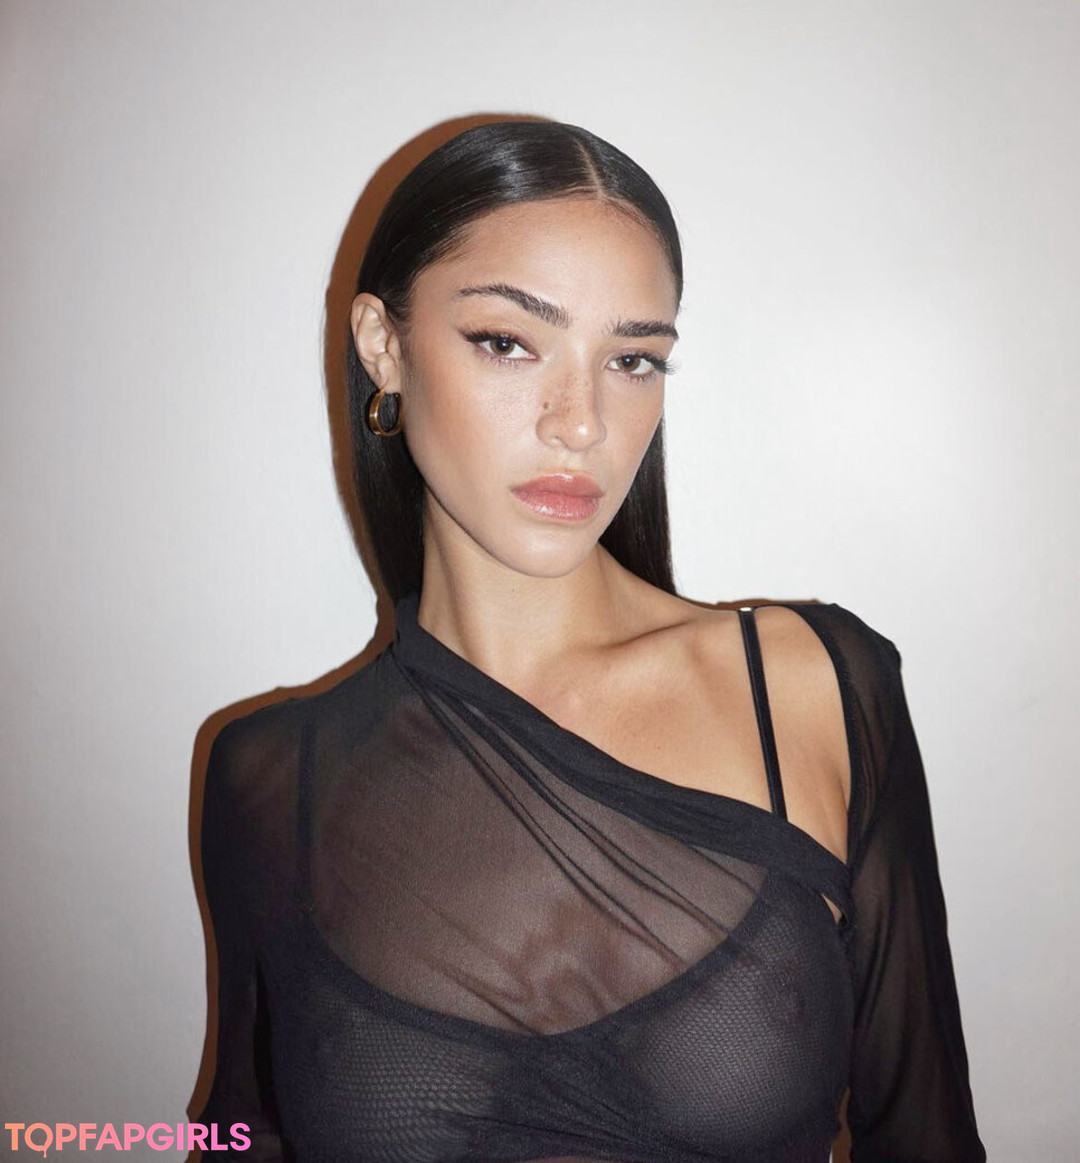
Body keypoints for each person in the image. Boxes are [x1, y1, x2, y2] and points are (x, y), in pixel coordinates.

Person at [194, 120, 987, 1162]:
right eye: (507, 342)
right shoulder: (269, 777)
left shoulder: (814, 688)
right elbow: (238, 1135)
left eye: (632, 359)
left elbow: (927, 1136)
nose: (582, 422)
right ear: (384, 344)